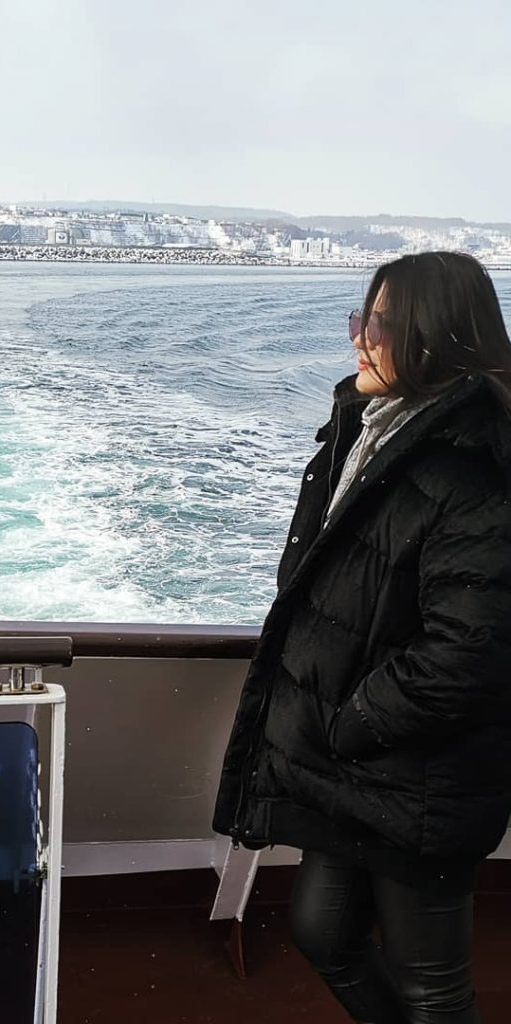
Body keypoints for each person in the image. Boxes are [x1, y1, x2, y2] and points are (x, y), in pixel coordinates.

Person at [212, 251, 511, 1024]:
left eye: (376, 323)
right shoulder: (372, 434)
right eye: (360, 319)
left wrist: (353, 719)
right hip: (355, 769)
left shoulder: (477, 469)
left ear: (434, 335)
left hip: (420, 776)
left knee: (432, 986)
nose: (358, 340)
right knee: (321, 931)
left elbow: (471, 649)